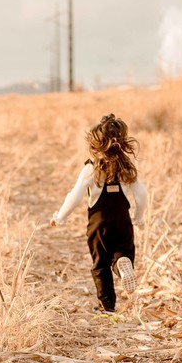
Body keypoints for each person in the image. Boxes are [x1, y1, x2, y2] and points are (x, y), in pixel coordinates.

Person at [49, 114, 148, 313]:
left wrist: (60, 217)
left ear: (95, 145)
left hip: (98, 224)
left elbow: (75, 196)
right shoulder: (126, 167)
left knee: (100, 264)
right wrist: (139, 216)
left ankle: (107, 306)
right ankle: (121, 266)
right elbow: (141, 195)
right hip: (122, 220)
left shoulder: (91, 168)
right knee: (123, 252)